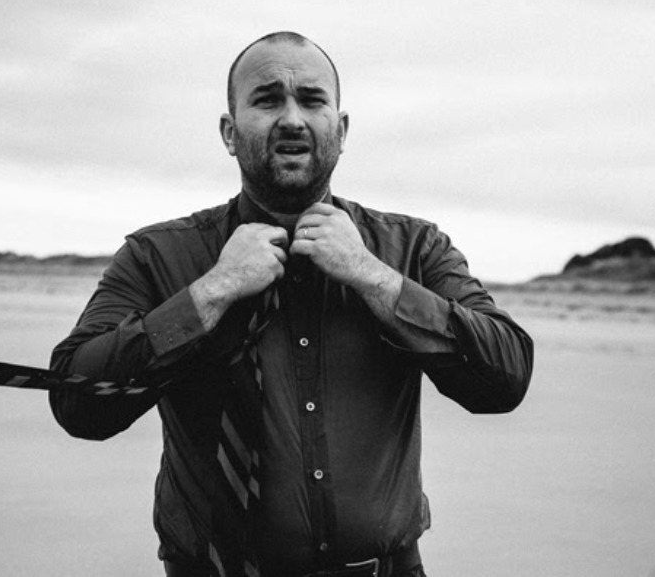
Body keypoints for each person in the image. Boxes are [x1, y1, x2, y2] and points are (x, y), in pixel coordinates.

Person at [49, 31, 534, 577]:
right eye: (267, 99)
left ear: (341, 131)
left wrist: (373, 277)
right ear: (229, 133)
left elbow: (507, 376)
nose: (292, 119)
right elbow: (77, 403)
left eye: (311, 99)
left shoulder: (414, 248)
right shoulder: (157, 256)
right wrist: (211, 292)